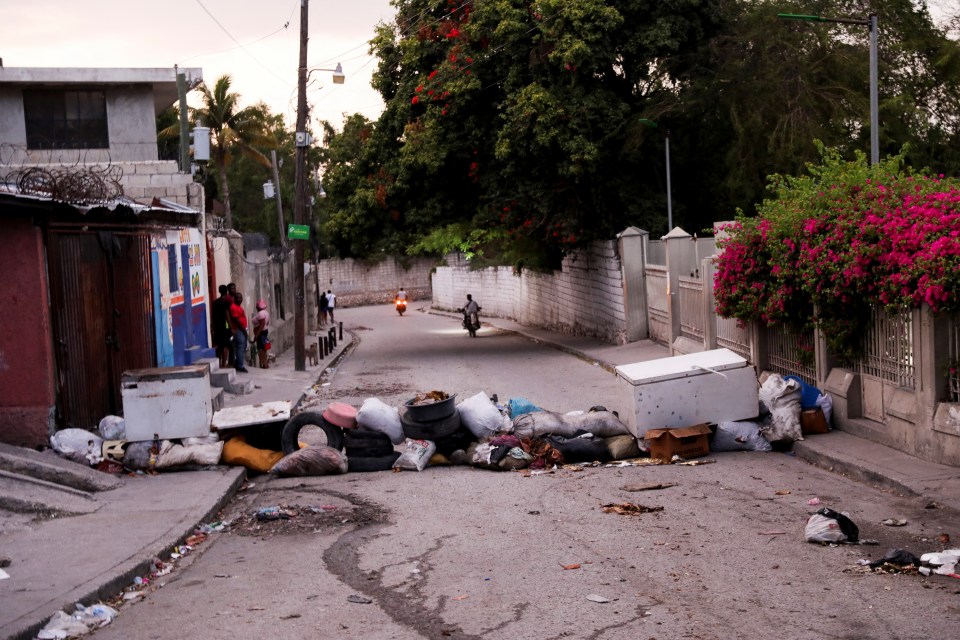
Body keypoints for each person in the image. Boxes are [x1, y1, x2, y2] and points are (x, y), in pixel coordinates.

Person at [211, 285, 234, 368]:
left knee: (219, 345)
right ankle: (224, 363)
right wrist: (231, 328)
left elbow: (212, 315)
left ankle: (219, 363)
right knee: (225, 346)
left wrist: (213, 327)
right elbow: (227, 315)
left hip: (217, 326)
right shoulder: (226, 302)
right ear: (226, 291)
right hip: (225, 327)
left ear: (219, 291)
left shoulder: (215, 302)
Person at [229, 291, 250, 372]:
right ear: (234, 299)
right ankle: (240, 365)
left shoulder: (238, 307)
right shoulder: (234, 307)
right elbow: (236, 320)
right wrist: (244, 330)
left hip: (242, 329)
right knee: (240, 346)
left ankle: (238, 362)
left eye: (240, 298)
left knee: (242, 346)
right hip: (238, 329)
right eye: (237, 298)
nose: (239, 299)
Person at [252, 299, 271, 369]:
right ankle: (263, 363)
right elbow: (267, 323)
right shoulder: (266, 312)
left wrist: (257, 334)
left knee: (260, 348)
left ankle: (264, 364)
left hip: (261, 332)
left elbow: (262, 324)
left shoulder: (261, 314)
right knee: (263, 347)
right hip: (264, 331)